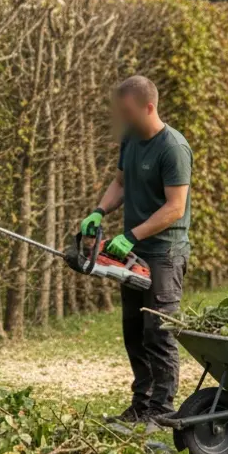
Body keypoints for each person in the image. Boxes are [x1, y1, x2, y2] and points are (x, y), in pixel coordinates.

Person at [80, 76, 192, 429]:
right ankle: (141, 404)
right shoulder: (130, 139)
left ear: (149, 107)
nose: (123, 119)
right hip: (134, 255)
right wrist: (100, 211)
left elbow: (175, 207)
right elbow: (120, 182)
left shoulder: (172, 148)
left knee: (157, 331)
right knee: (133, 330)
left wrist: (133, 235)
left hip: (163, 253)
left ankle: (162, 409)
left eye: (128, 112)